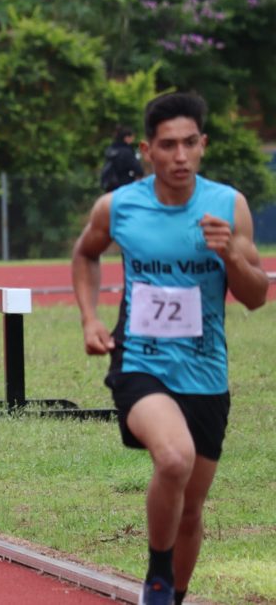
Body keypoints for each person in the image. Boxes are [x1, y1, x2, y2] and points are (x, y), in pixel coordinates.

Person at [71, 93, 268, 605]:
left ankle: (172, 597)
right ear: (147, 150)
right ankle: (157, 578)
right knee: (174, 459)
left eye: (189, 144)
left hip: (206, 371)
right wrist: (91, 319)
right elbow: (85, 253)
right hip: (141, 363)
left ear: (203, 145)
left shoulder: (228, 206)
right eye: (167, 145)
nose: (180, 156)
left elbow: (255, 297)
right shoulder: (119, 206)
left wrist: (230, 256)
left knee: (192, 509)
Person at [100, 124, 145, 192]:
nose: (133, 139)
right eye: (132, 137)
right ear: (126, 138)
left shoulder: (110, 149)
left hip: (110, 187)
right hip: (124, 187)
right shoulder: (126, 151)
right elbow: (138, 170)